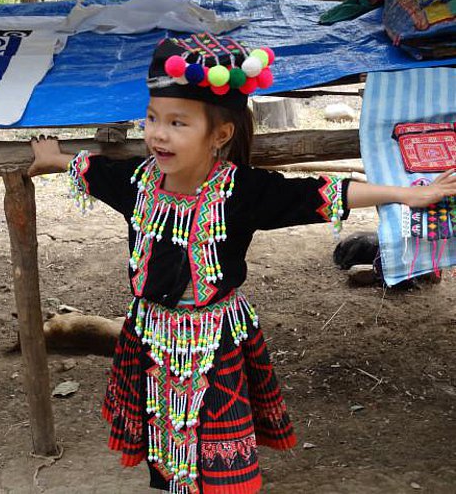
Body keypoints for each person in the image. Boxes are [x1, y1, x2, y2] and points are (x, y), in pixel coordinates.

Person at [28, 33, 456, 494]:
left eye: (177, 122)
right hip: (151, 334)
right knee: (161, 429)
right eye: (152, 118)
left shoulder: (243, 192)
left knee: (217, 438)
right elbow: (90, 169)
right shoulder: (137, 181)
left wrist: (414, 194)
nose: (157, 133)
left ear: (221, 135)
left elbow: (325, 194)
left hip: (216, 341)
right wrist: (55, 159)